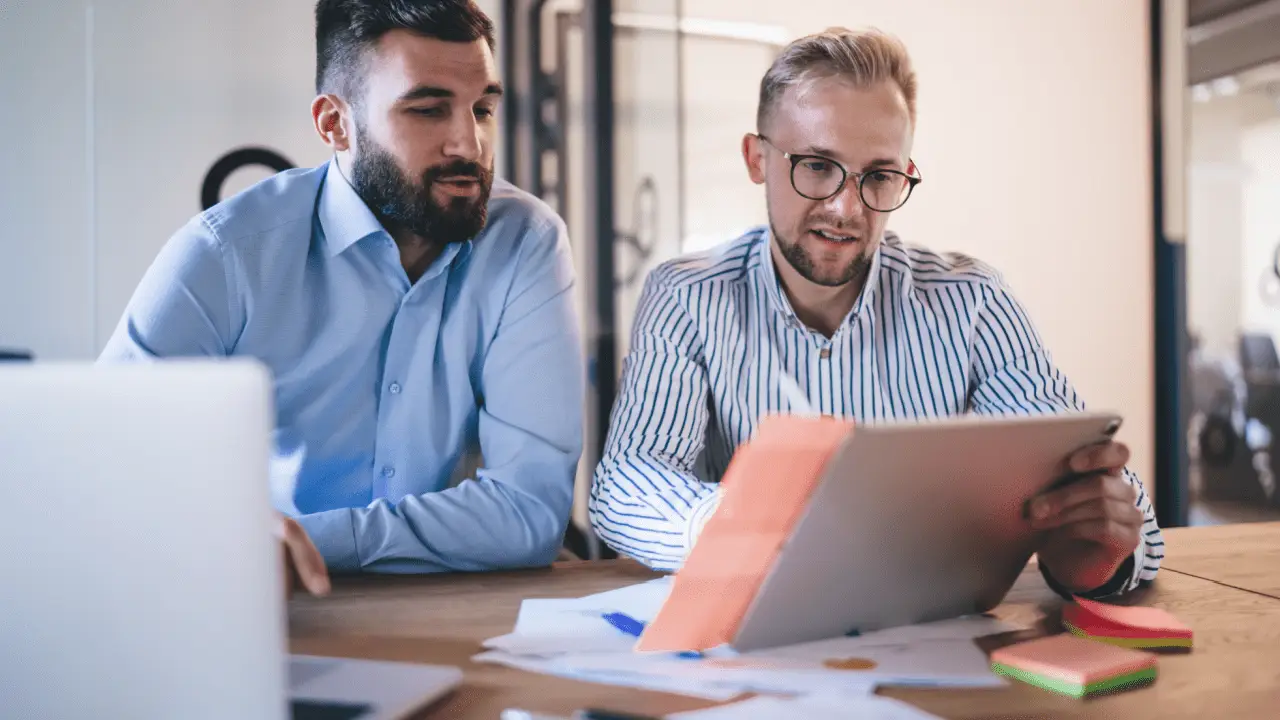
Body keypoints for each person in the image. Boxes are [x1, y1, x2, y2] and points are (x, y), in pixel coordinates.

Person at [589, 27, 1163, 599]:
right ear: (756, 158)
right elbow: (627, 483)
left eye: (880, 176)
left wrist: (1094, 558)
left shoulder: (972, 300)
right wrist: (759, 532)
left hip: (927, 631)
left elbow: (1101, 496)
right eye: (817, 165)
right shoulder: (688, 297)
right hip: (750, 631)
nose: (846, 209)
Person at [100, 0, 583, 593]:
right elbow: (106, 469)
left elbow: (529, 511)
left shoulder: (525, 241)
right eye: (428, 110)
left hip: (455, 599)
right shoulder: (228, 255)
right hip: (271, 601)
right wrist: (222, 536)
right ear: (335, 123)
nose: (469, 144)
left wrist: (307, 541)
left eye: (482, 108)